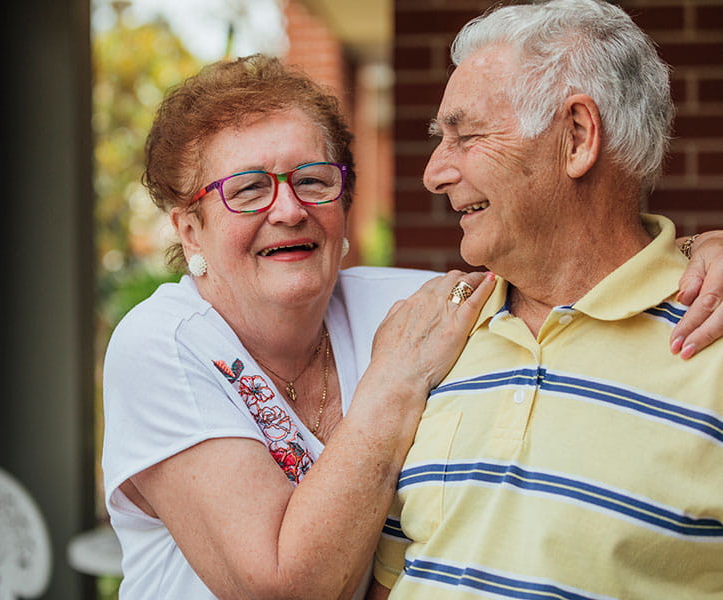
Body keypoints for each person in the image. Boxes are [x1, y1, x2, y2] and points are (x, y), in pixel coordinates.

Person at [101, 55, 723, 599]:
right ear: (189, 230)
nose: (288, 210)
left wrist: (696, 253)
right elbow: (282, 587)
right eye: (248, 189)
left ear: (343, 206)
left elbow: (556, 270)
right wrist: (393, 382)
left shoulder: (406, 303)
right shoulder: (164, 344)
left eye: (313, 181)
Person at [370, 1, 723, 599]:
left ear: (578, 137)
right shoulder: (436, 335)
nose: (433, 173)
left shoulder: (709, 338)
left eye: (465, 135)